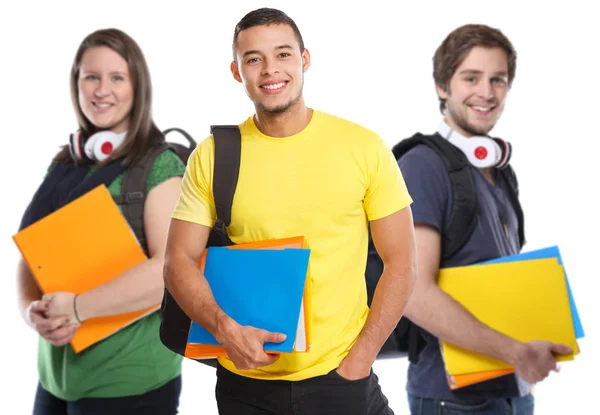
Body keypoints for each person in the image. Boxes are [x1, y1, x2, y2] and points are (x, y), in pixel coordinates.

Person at [163, 7, 417, 415]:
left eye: (282, 54)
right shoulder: (212, 157)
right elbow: (177, 261)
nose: (270, 70)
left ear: (305, 59)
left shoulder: (364, 147)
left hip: (343, 378)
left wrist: (362, 358)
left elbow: (402, 261)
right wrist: (225, 331)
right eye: (253, 59)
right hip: (243, 382)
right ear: (236, 71)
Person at [396, 24, 573, 414]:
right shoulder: (423, 166)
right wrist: (514, 350)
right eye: (470, 78)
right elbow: (413, 292)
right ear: (443, 87)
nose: (486, 93)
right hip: (454, 398)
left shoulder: (500, 171)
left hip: (512, 388)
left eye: (498, 80)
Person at [17, 28, 184, 414]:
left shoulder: (158, 166)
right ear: (76, 84)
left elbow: (170, 270)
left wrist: (76, 309)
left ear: (137, 87)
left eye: (116, 78)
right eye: (91, 76)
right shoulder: (66, 162)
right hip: (55, 382)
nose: (101, 90)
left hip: (129, 383)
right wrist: (32, 312)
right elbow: (30, 253)